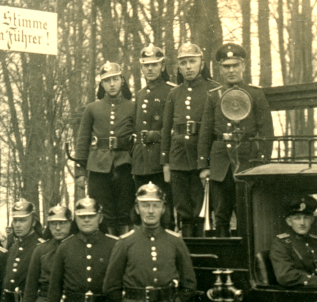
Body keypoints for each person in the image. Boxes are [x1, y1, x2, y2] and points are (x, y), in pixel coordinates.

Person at [198, 42, 274, 237]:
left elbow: (266, 131)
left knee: (246, 212)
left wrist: (263, 162)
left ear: (243, 66)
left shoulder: (256, 94)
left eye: (234, 65)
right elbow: (205, 133)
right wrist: (204, 166)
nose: (231, 70)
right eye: (226, 66)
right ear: (220, 69)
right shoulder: (213, 96)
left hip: (247, 160)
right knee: (221, 214)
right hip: (220, 161)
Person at [161, 43, 219, 238]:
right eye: (183, 63)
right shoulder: (174, 93)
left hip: (201, 159)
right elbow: (166, 128)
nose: (188, 67)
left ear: (202, 64)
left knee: (201, 207)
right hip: (178, 158)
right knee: (182, 208)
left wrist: (208, 162)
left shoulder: (213, 90)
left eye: (192, 62)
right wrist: (166, 163)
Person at [75, 61, 136, 236]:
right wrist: (80, 171)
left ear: (122, 81)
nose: (112, 84)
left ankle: (124, 248)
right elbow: (83, 140)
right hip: (98, 168)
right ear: (101, 84)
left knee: (125, 212)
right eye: (107, 80)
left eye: (115, 79)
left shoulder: (133, 107)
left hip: (125, 166)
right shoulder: (92, 109)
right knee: (103, 211)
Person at [131, 45, 175, 212]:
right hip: (141, 163)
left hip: (160, 161)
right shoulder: (141, 94)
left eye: (154, 64)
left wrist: (153, 136)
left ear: (162, 66)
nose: (150, 69)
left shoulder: (171, 91)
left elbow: (171, 129)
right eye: (146, 65)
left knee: (163, 207)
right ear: (141, 67)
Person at [269, 195, 317, 288]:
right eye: (297, 218)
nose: (302, 223)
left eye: (306, 218)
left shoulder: (316, 241)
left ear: (312, 220)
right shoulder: (281, 243)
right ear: (289, 221)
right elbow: (284, 276)